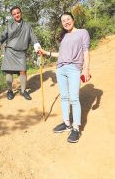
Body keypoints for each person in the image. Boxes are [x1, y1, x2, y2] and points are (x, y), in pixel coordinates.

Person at [39, 12, 91, 143]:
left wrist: (86, 69)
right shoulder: (64, 37)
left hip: (74, 68)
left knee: (74, 98)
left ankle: (76, 128)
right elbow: (61, 54)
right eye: (63, 21)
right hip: (60, 68)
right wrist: (46, 53)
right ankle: (67, 124)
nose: (66, 22)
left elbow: (85, 51)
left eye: (68, 19)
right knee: (63, 97)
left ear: (73, 19)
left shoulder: (82, 32)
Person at [0, 5, 41, 100]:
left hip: (21, 52)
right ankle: (9, 91)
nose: (17, 15)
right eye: (14, 14)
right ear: (12, 16)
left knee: (23, 70)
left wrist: (38, 49)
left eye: (18, 13)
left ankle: (23, 91)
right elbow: (3, 36)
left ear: (21, 13)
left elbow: (33, 38)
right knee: (9, 71)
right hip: (10, 51)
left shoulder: (27, 26)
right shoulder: (9, 26)